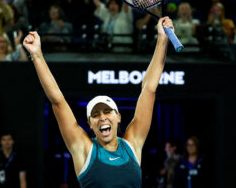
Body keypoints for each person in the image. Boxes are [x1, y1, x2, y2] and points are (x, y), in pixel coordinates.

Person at [22, 16, 174, 187]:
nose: (102, 117)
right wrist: (37, 55)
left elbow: (149, 89)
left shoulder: (132, 144)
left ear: (118, 117)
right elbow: (58, 101)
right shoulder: (84, 148)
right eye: (95, 115)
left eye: (107, 111)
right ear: (90, 124)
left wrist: (162, 40)